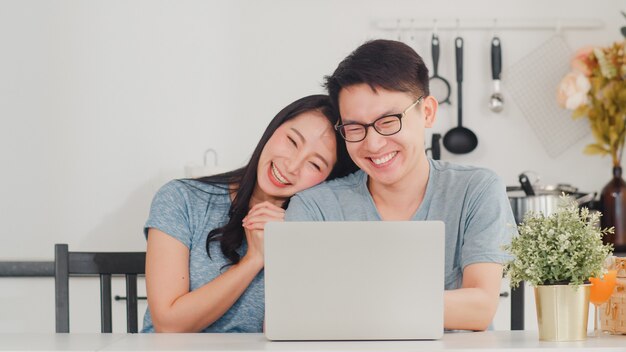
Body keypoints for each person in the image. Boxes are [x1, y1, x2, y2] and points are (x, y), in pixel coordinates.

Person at [284, 40, 516, 331]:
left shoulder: (476, 189)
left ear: (428, 112)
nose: (374, 144)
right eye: (355, 127)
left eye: (388, 121)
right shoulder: (315, 206)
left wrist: (348, 303)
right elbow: (290, 314)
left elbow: (479, 309)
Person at [142, 94, 358, 333]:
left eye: (315, 164)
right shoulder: (180, 198)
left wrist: (292, 245)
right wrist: (254, 259)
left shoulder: (315, 229)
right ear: (273, 130)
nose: (292, 165)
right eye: (292, 141)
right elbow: (168, 324)